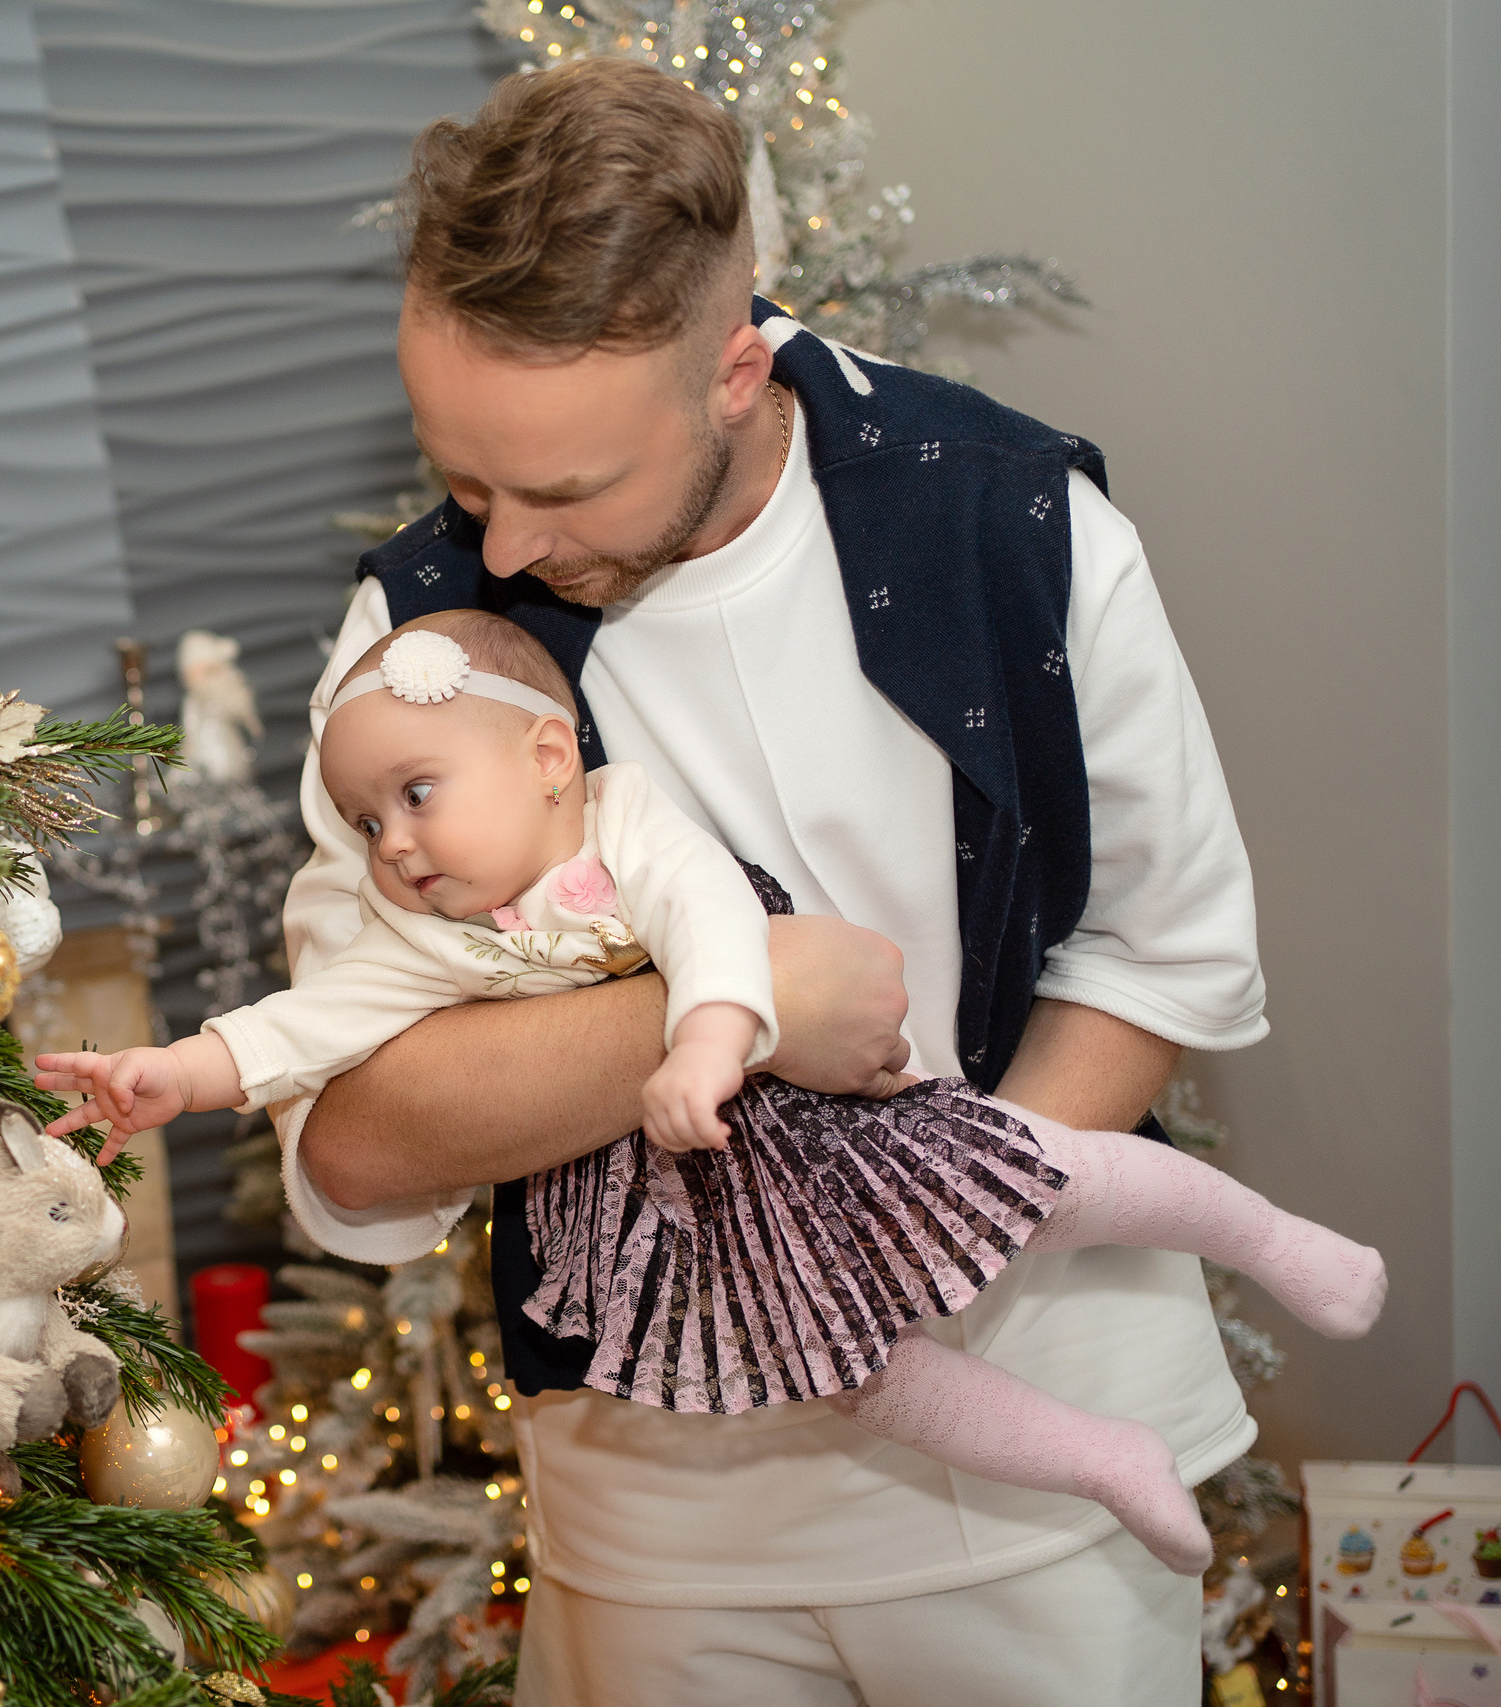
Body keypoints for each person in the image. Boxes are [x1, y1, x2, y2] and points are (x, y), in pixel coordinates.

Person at [268, 57, 1277, 1705]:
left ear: (735, 367)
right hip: (659, 1512)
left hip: (1047, 1444)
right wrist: (736, 1006)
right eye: (463, 482)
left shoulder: (1014, 521)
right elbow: (361, 1137)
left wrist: (922, 1245)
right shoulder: (426, 652)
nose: (500, 552)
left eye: (566, 488)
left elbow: (1156, 960)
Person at [34, 610, 1379, 1579]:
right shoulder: (428, 938)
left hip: (818, 1120)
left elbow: (724, 927)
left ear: (551, 758)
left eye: (417, 796)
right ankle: (1098, 1458)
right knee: (860, 1372)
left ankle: (1277, 1241)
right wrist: (173, 1077)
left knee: (1038, 1178)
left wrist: (703, 1046)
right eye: (369, 822)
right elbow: (306, 1028)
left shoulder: (629, 823)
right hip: (699, 1207)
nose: (393, 845)